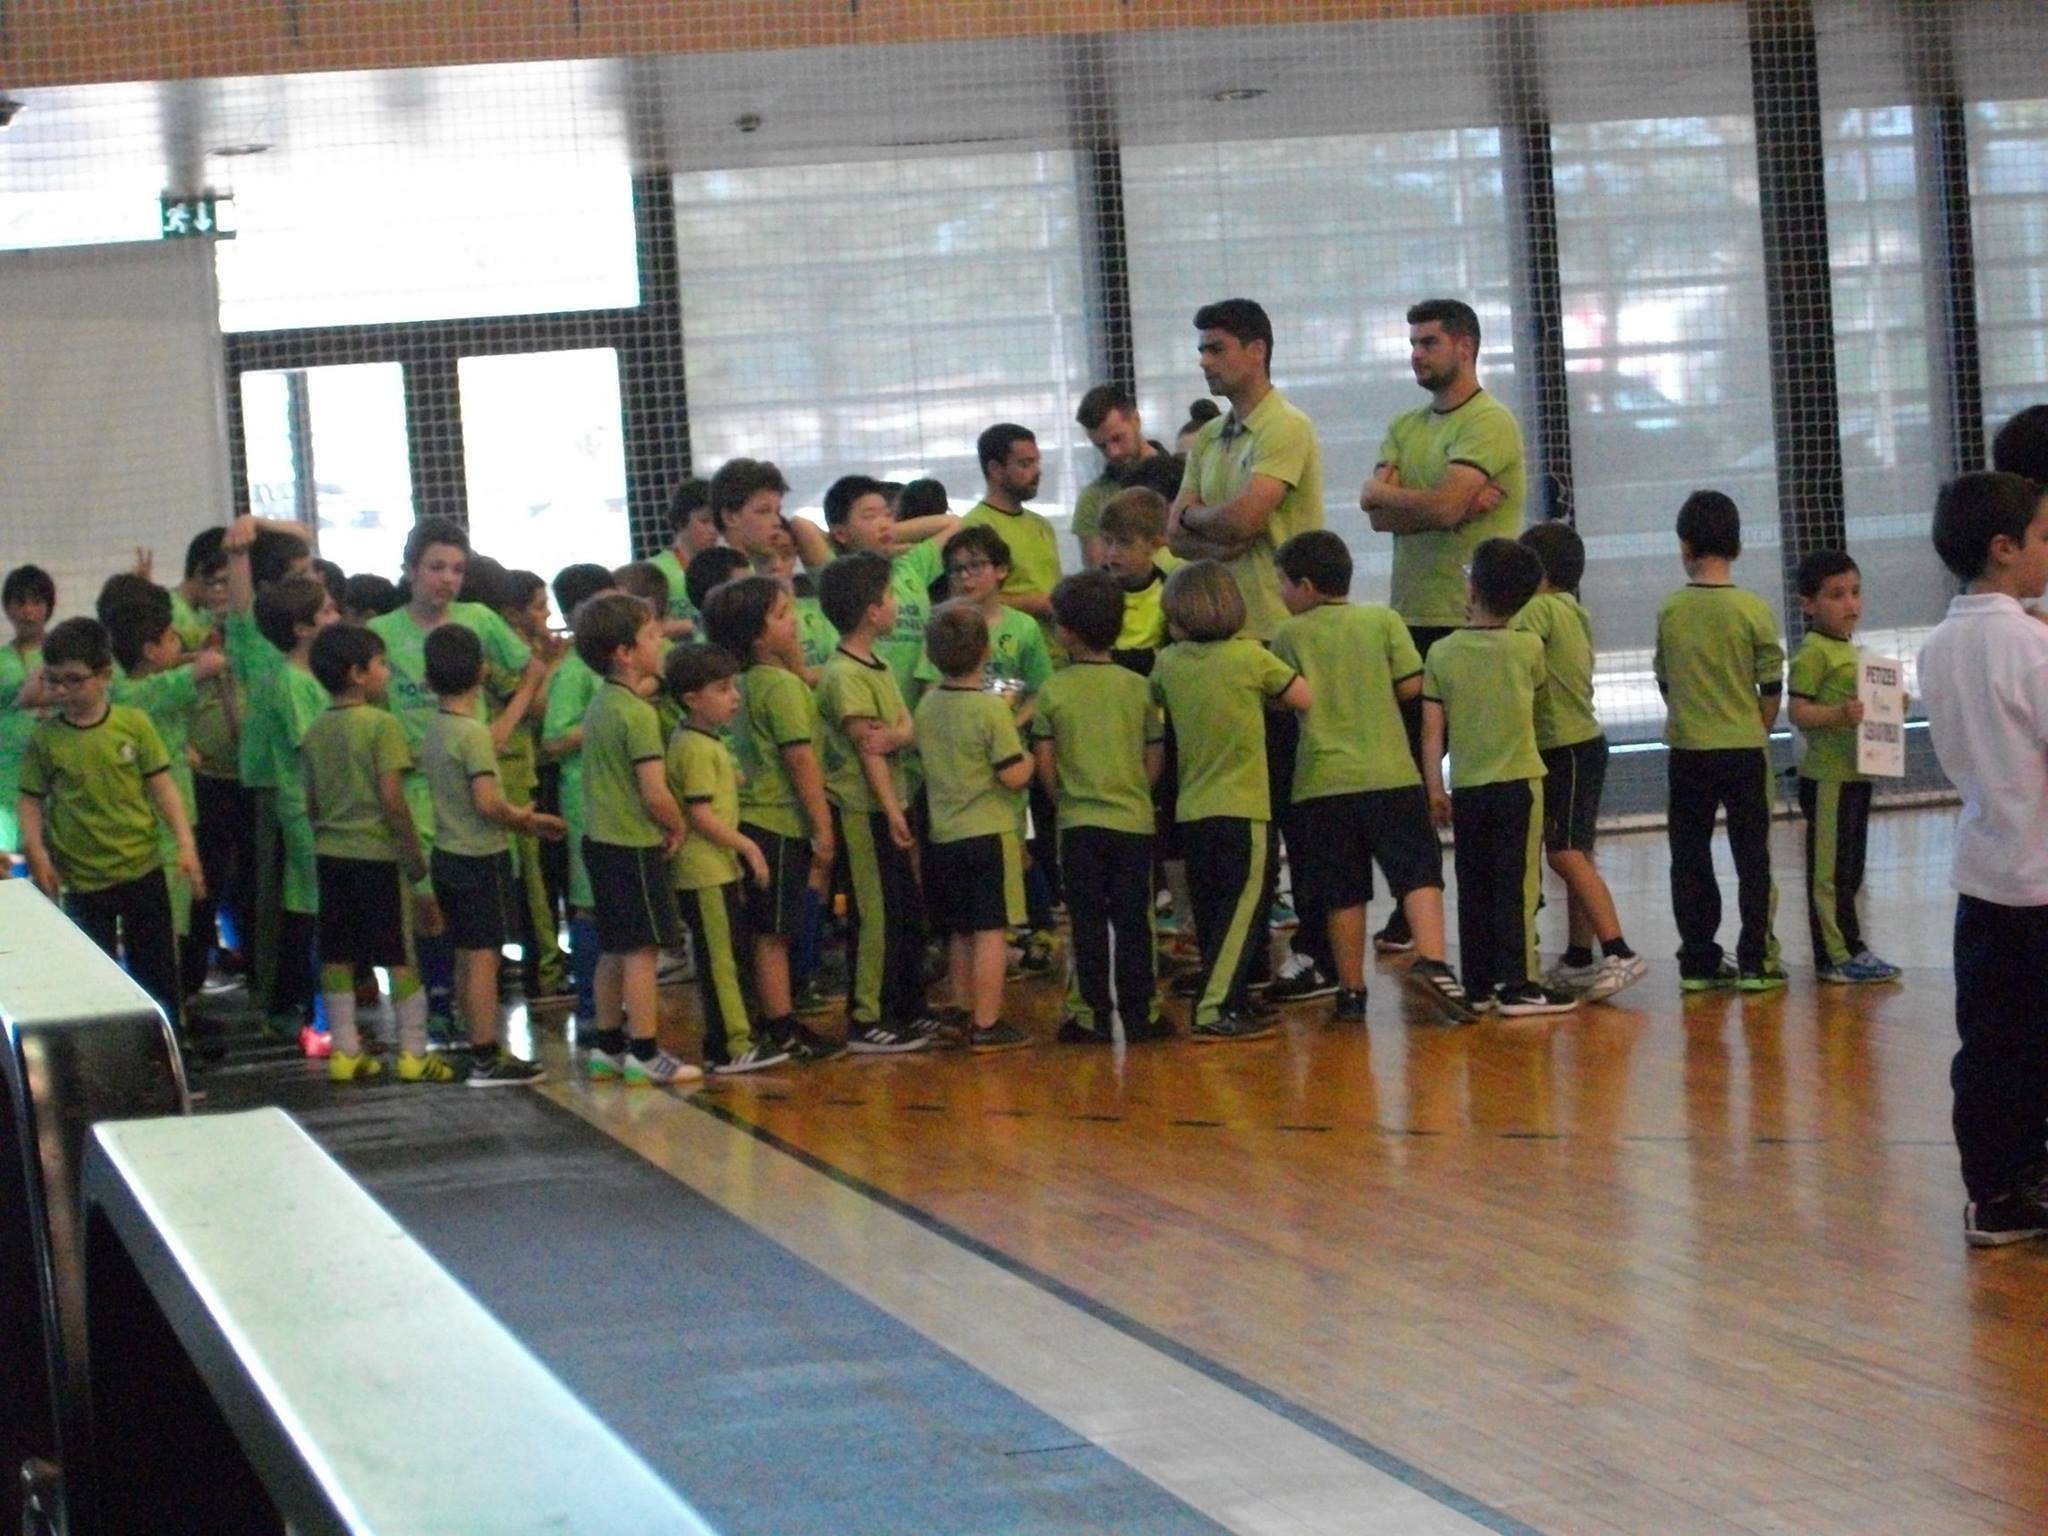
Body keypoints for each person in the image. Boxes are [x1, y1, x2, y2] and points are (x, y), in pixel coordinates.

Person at [1361, 298, 1526, 953]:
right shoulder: (1405, 425)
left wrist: (1420, 503)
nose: (1417, 354)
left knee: (1484, 773)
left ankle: (1510, 907)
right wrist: (1432, 505)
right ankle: (1415, 905)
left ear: (1464, 346)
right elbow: (1376, 510)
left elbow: (1433, 506)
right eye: (1413, 343)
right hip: (1411, 624)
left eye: (1428, 342)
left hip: (1476, 627)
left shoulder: (1489, 423)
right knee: (1406, 776)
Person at [1919, 471, 2048, 1245]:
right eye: (2043, 538)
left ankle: (1996, 1193)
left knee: (1993, 1043)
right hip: (2040, 879)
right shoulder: (2028, 645)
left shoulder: (1939, 645)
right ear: (2004, 548)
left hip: (1983, 877)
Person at [1269, 530, 1469, 1022]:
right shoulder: (1383, 620)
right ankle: (1433, 961)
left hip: (1322, 784)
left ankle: (1351, 991)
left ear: (1307, 586)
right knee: (1418, 873)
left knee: (1343, 892)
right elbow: (1412, 685)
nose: (1279, 592)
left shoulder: (1289, 635)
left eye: (1283, 583)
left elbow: (1280, 697)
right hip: (1392, 775)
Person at [370, 518, 544, 1030]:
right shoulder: (382, 633)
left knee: (479, 911)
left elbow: (533, 669)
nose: (447, 579)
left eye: (457, 570)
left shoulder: (478, 619)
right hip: (416, 786)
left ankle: (476, 1023)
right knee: (427, 900)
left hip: (474, 782)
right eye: (436, 567)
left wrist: (504, 725)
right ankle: (436, 1005)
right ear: (410, 570)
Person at [17, 617, 202, 1034]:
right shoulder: (47, 739)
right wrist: (37, 851)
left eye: (74, 680)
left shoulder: (133, 724)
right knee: (95, 976)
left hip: (142, 866)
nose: (62, 691)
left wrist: (186, 845)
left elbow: (164, 789)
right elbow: (30, 800)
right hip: (83, 877)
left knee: (156, 970)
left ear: (104, 676)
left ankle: (166, 1044)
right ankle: (106, 1048)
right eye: (53, 680)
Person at [1151, 561, 1310, 1041]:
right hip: (1245, 808)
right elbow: (1303, 697)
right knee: (1244, 911)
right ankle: (1214, 1008)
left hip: (1192, 809)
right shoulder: (1251, 658)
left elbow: (1157, 705)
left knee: (1213, 913)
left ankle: (1232, 995)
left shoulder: (1168, 663)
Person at [1420, 540, 1576, 1016]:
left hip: (1468, 789)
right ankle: (1520, 984)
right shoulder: (1529, 648)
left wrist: (1435, 788)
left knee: (1473, 886)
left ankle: (1479, 984)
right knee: (1518, 887)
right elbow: (1540, 708)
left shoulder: (1442, 653)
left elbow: (1432, 732)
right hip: (1520, 786)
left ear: (1473, 589)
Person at [301, 624, 455, 1083]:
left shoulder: (316, 730)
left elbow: (311, 802)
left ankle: (345, 1051)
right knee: (399, 953)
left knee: (337, 954)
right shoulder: (382, 725)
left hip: (330, 853)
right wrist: (413, 859)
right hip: (377, 856)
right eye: (381, 664)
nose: (387, 672)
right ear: (357, 673)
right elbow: (393, 799)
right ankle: (413, 1052)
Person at [701, 575, 840, 1062]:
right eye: (782, 615)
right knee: (774, 933)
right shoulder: (779, 687)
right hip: (778, 822)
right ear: (757, 635)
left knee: (763, 929)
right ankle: (780, 1025)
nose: (795, 621)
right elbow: (800, 760)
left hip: (745, 819)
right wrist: (822, 828)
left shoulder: (733, 685)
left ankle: (771, 1018)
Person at [1654, 490, 1786, 992]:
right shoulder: (1752, 608)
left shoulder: (1672, 609)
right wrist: (1756, 726)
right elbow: (1770, 683)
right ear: (1737, 546)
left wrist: (1691, 714)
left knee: (1690, 856)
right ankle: (1755, 961)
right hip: (1744, 751)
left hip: (1688, 751)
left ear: (1685, 547)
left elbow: (1665, 679)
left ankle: (1698, 961)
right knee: (1753, 858)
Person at [422, 623, 565, 1084]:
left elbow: (490, 740)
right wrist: (525, 819)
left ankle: (477, 1043)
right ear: (483, 672)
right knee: (485, 957)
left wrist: (530, 681)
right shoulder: (471, 735)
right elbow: (488, 802)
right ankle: (487, 1055)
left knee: (467, 955)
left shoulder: (440, 729)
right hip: (481, 857)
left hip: (446, 853)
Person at [1032, 571, 1169, 1045]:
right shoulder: (1138, 687)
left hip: (1077, 824)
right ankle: (1142, 1013)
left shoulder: (1053, 690)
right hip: (1132, 821)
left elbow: (1045, 758)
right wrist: (1137, 792)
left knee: (1086, 922)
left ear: (1065, 632)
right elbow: (1154, 753)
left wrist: (1063, 799)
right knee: (1136, 921)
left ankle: (1090, 1015)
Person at [914, 523, 1058, 967]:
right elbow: (929, 690)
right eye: (956, 569)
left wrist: (1010, 723)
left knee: (1017, 845)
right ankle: (998, 935)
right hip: (962, 768)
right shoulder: (943, 628)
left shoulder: (1023, 627)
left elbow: (1041, 689)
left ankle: (1033, 926)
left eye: (975, 566)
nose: (965, 577)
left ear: (1001, 571)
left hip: (1006, 757)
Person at [571, 591, 699, 1085]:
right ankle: (644, 1050)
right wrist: (677, 824)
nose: (660, 638)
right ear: (624, 653)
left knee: (614, 947)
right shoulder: (638, 715)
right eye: (650, 634)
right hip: (632, 844)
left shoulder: (603, 703)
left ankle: (608, 1047)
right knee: (643, 952)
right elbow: (653, 791)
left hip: (599, 842)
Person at [1514, 521, 1645, 1003]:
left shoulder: (1537, 610)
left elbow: (1511, 652)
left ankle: (1619, 950)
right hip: (1585, 744)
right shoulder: (1573, 609)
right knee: (1577, 852)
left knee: (1564, 853)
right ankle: (1577, 958)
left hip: (1564, 747)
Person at [815, 552, 933, 1052]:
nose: (895, 604)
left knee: (904, 908)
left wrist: (898, 739)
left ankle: (906, 1006)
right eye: (889, 596)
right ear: (871, 611)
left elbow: (905, 727)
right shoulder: (845, 675)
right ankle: (866, 1016)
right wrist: (890, 810)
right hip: (863, 809)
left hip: (891, 802)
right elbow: (870, 751)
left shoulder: (878, 664)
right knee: (874, 911)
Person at [662, 644, 790, 1076]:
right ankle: (731, 1045)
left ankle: (731, 1040)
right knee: (720, 960)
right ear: (692, 699)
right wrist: (747, 846)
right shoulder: (695, 747)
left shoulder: (700, 740)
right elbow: (700, 815)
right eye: (722, 689)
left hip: (716, 868)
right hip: (705, 871)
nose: (734, 697)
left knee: (727, 954)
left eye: (733, 686)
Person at [914, 602, 1037, 1053]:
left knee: (960, 931)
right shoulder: (991, 711)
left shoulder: (927, 705)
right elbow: (1013, 776)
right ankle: (988, 1022)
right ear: (986, 651)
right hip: (988, 833)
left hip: (943, 834)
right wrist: (1031, 757)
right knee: (991, 930)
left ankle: (961, 1011)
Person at [1169, 299, 1324, 644]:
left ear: (1257, 351)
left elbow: (1243, 521)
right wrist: (1221, 546)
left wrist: (1192, 515)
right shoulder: (1208, 435)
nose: (1204, 361)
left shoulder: (1286, 425)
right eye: (1202, 351)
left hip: (1279, 625)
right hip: (1220, 627)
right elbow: (1174, 535)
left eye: (1216, 349)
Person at [103, 582, 228, 1011]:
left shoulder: (130, 688)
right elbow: (206, 665)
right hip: (166, 822)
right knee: (169, 926)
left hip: (160, 817)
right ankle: (168, 1017)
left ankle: (169, 1012)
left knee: (169, 924)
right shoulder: (149, 691)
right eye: (171, 638)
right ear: (151, 650)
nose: (179, 644)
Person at [1787, 549, 1901, 987]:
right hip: (1829, 779)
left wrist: (1890, 704)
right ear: (1809, 605)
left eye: (1855, 592)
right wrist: (1839, 714)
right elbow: (1799, 712)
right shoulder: (1813, 652)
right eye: (1837, 595)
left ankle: (1853, 946)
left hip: (1857, 774)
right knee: (1829, 873)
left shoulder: (1853, 651)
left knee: (1850, 869)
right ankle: (1833, 956)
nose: (1851, 603)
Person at [541, 562, 618, 1038]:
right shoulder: (575, 671)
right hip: (585, 798)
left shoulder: (612, 665)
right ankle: (591, 1008)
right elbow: (552, 740)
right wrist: (606, 718)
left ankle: (613, 1005)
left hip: (616, 797)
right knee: (590, 903)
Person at [821, 473, 960, 711]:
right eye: (870, 516)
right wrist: (847, 539)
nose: (884, 523)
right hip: (865, 703)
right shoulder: (839, 574)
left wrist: (891, 534)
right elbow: (801, 527)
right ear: (841, 533)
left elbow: (954, 524)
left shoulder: (911, 565)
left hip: (918, 707)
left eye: (887, 514)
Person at [960, 423, 1063, 647]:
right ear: (995, 469)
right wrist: (1035, 604)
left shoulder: (1043, 526)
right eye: (1025, 463)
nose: (1037, 471)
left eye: (1037, 462)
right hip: (1006, 653)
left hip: (1056, 653)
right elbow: (969, 598)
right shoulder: (974, 527)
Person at [1073, 386, 1167, 569]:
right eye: (1101, 446)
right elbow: (1099, 572)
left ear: (1136, 420)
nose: (1113, 452)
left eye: (1117, 438)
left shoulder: (1184, 477)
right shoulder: (1092, 498)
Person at [1, 564, 54, 859]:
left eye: (36, 602)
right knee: (11, 864)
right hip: (8, 778)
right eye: (19, 602)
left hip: (57, 774)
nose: (28, 611)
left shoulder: (64, 655)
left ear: (48, 607)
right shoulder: (1, 660)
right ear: (7, 608)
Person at [1096, 487, 1177, 675]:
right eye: (1107, 541)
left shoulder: (1169, 594)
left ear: (1154, 545)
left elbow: (1171, 657)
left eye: (1125, 542)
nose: (1113, 552)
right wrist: (1146, 658)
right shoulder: (1092, 591)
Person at [708, 457, 832, 572]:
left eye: (777, 512)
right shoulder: (716, 575)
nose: (777, 522)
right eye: (763, 511)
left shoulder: (768, 568)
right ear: (730, 517)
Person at [649, 475, 716, 633]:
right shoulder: (655, 569)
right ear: (680, 520)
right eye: (704, 521)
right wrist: (696, 624)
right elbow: (645, 627)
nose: (713, 530)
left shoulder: (726, 566)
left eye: (716, 521)